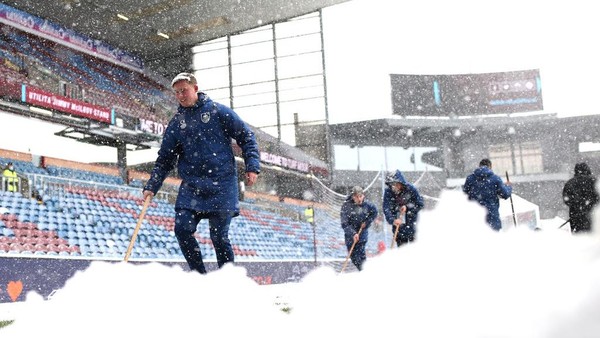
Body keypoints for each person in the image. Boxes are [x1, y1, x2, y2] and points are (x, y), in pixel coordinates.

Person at [143, 72, 260, 274]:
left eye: (184, 90)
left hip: (222, 184)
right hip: (192, 186)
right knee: (182, 229)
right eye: (177, 92)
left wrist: (252, 166)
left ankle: (228, 280)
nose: (180, 95)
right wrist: (152, 186)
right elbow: (164, 159)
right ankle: (199, 276)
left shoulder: (218, 112)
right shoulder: (176, 124)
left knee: (219, 237)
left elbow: (246, 137)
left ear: (195, 89)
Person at [462, 158, 512, 231]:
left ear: (479, 166)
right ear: (490, 167)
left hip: (474, 218)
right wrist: (508, 186)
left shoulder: (470, 179)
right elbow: (505, 194)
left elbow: (465, 193)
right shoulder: (495, 179)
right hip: (492, 217)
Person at [340, 186, 378, 271]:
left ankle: (365, 273)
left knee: (360, 255)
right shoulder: (346, 206)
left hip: (362, 233)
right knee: (353, 257)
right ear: (353, 197)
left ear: (363, 196)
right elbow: (344, 224)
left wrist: (367, 222)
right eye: (356, 197)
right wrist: (353, 233)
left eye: (360, 196)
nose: (359, 199)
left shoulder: (368, 205)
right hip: (350, 235)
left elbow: (374, 213)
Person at [383, 170, 424, 247]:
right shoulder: (388, 192)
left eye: (395, 184)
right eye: (391, 184)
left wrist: (408, 207)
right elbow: (386, 208)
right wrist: (392, 220)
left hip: (412, 227)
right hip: (399, 229)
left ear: (400, 182)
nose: (393, 187)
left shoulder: (411, 189)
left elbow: (420, 204)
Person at [562, 162, 599, 234]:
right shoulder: (594, 181)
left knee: (579, 239)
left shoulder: (570, 183)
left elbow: (567, 199)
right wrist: (589, 204)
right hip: (593, 215)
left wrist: (578, 205)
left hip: (576, 216)